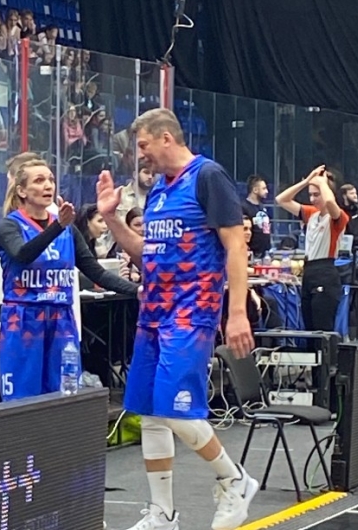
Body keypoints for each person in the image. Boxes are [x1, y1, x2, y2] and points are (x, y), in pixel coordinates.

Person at [96, 108, 256, 530]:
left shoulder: (208, 176)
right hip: (153, 312)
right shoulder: (159, 192)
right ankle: (163, 514)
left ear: (166, 137)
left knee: (177, 411)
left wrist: (237, 312)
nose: (141, 155)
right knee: (150, 412)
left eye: (144, 145)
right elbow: (145, 253)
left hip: (191, 310)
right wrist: (112, 218)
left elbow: (236, 247)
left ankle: (234, 479)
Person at [0, 159, 138, 400]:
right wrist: (58, 226)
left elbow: (96, 272)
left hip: (61, 320)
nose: (48, 185)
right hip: (24, 318)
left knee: (64, 395)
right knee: (22, 399)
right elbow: (22, 254)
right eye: (39, 180)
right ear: (21, 191)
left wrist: (138, 290)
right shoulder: (10, 225)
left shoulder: (68, 229)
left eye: (51, 179)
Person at [276, 166, 349, 332]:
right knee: (309, 329)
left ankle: (329, 352)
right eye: (310, 194)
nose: (312, 199)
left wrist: (322, 182)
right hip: (309, 271)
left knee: (322, 329)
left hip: (325, 271)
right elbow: (281, 200)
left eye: (317, 194)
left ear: (327, 192)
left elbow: (330, 203)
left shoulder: (338, 216)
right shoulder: (311, 214)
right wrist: (307, 181)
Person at [242, 175, 272, 258]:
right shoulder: (243, 207)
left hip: (265, 252)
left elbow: (266, 229)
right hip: (252, 252)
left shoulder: (262, 207)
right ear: (255, 190)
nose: (267, 191)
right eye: (264, 188)